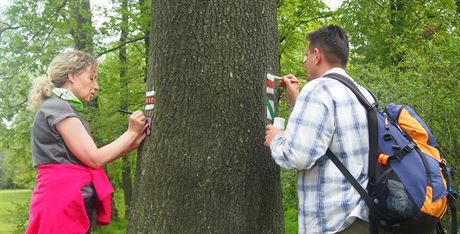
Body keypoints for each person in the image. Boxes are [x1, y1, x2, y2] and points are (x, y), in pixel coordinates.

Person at [264, 25, 376, 233]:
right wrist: (297, 100)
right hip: (362, 217)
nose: (305, 63)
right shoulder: (363, 95)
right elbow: (331, 136)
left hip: (331, 223)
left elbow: (298, 156)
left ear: (316, 55)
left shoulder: (317, 89)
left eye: (306, 56)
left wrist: (277, 138)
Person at [26, 50, 148, 234]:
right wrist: (131, 133)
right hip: (61, 201)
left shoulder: (60, 107)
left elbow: (88, 159)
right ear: (72, 76)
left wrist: (133, 141)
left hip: (64, 199)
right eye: (91, 78)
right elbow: (94, 159)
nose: (96, 86)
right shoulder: (57, 107)